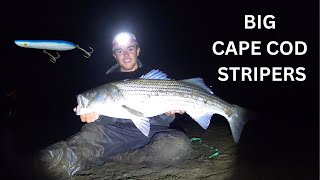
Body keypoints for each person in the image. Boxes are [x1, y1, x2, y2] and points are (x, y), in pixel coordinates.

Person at [37, 32, 192, 179]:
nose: (125, 55)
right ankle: (36, 166)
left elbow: (164, 122)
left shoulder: (156, 80)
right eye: (119, 51)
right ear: (114, 55)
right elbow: (103, 120)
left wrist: (168, 114)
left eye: (130, 49)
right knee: (86, 138)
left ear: (138, 51)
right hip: (114, 135)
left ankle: (122, 156)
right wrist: (95, 117)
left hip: (150, 134)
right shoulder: (105, 82)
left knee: (177, 146)